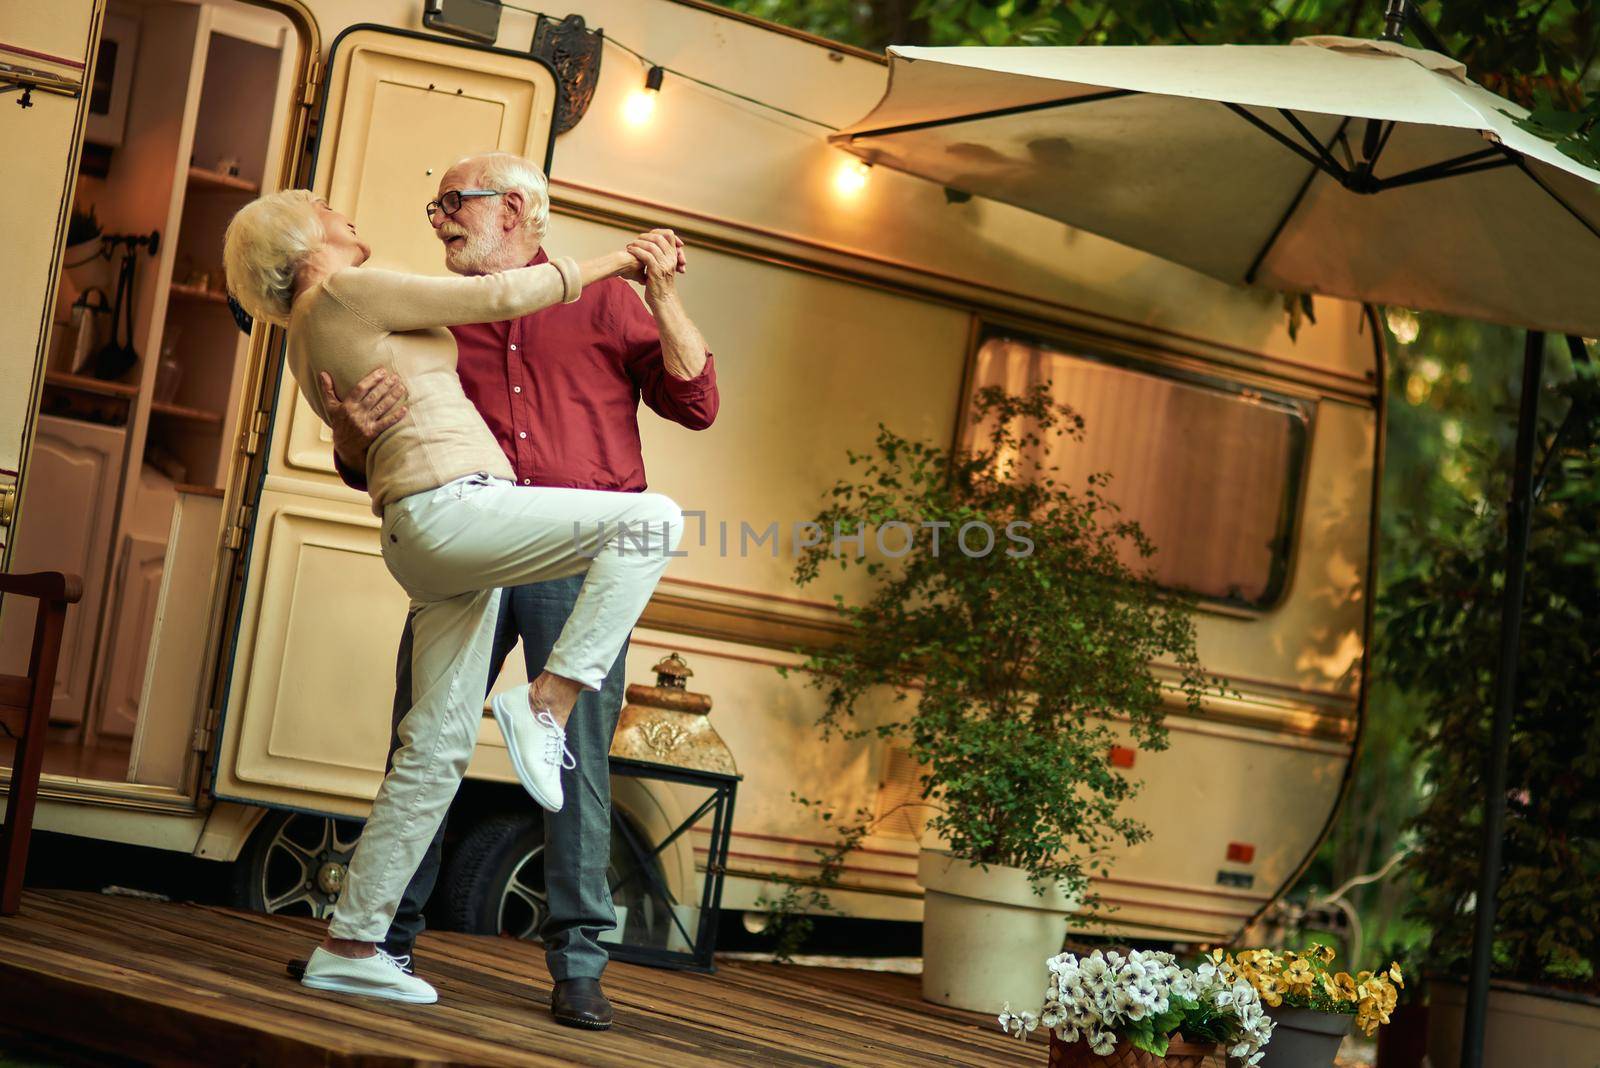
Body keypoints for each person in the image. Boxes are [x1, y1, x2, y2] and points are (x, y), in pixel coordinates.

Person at [223, 187, 689, 1007]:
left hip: (435, 532)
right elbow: (500, 296)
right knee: (650, 521)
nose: (344, 208)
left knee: (433, 750)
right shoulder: (340, 292)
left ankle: (353, 941)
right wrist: (625, 259)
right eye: (323, 205)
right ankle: (547, 701)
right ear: (299, 238)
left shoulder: (311, 329)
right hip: (457, 510)